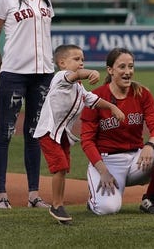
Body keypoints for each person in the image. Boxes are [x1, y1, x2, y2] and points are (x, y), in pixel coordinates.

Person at [0, 0, 54, 209]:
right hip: (14, 73)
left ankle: (34, 194)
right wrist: (0, 71)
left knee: (35, 134)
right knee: (5, 132)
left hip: (43, 74)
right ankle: (1, 194)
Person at [81, 48, 154, 216]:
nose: (128, 72)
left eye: (131, 66)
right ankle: (94, 201)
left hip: (137, 159)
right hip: (107, 162)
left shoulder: (142, 93)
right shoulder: (96, 98)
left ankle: (150, 199)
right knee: (107, 209)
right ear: (110, 70)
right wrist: (103, 171)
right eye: (122, 67)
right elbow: (87, 141)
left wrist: (150, 145)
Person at [33, 44, 125, 224]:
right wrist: (92, 73)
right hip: (49, 132)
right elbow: (75, 75)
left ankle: (58, 204)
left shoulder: (78, 88)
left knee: (64, 167)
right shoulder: (61, 77)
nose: (81, 63)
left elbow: (93, 100)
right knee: (59, 166)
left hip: (62, 134)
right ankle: (57, 204)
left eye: (83, 59)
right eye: (76, 59)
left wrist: (112, 107)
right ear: (62, 63)